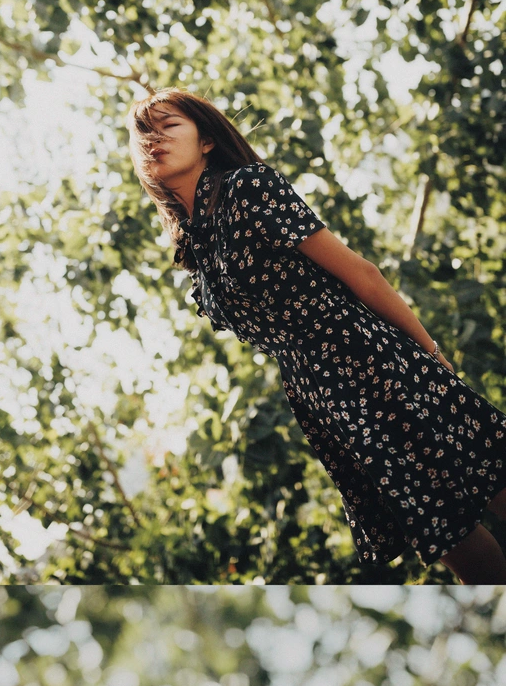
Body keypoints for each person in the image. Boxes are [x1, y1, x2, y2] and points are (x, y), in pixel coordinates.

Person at [128, 87, 506, 583]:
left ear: (207, 140)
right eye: (144, 134)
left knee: (491, 476)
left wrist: (429, 351)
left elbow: (360, 273)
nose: (154, 139)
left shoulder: (248, 188)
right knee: (447, 533)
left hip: (365, 356)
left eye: (169, 125)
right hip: (319, 393)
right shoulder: (196, 246)